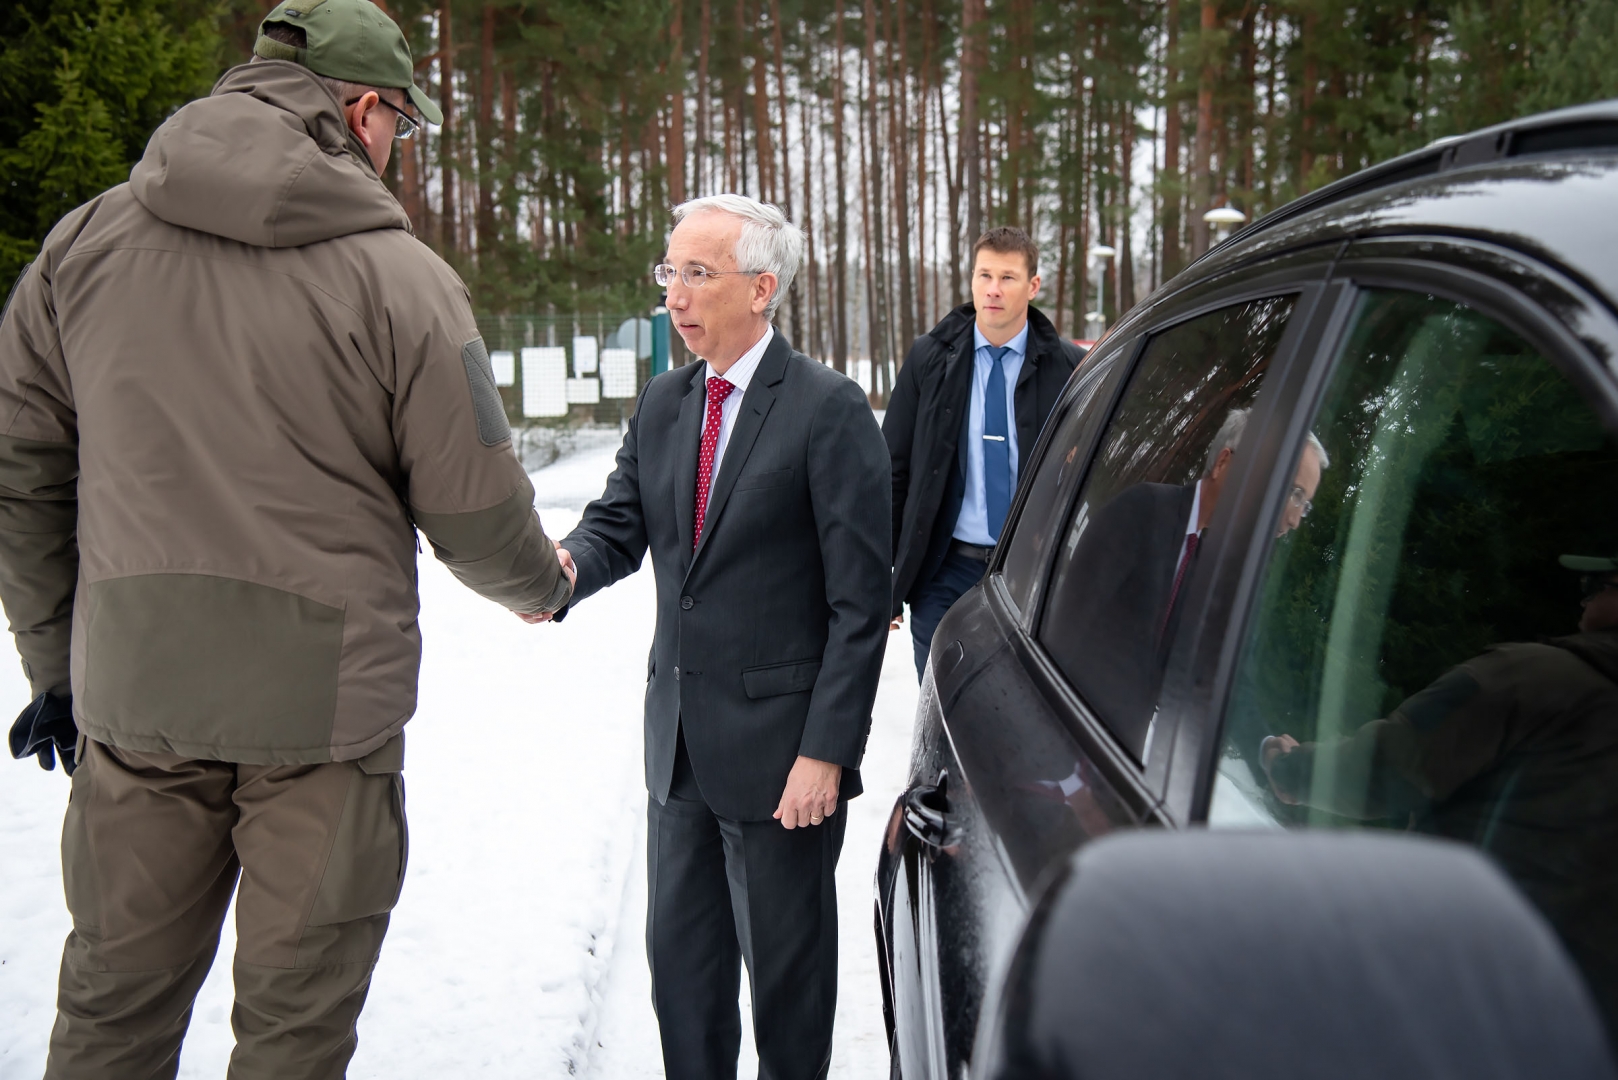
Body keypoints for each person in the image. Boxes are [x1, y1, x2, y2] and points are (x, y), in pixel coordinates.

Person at [0, 2, 575, 1075]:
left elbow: (22, 471)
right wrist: (542, 586)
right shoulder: (401, 279)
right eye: (402, 122)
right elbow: (473, 507)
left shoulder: (80, 248)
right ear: (361, 113)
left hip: (136, 688)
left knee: (110, 1016)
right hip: (325, 717)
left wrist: (58, 667)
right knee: (293, 1034)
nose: (398, 146)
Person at [544, 195, 889, 1080]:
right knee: (684, 986)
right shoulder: (666, 401)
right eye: (670, 271)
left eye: (697, 273)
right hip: (679, 756)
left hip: (782, 767)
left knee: (787, 993)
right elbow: (619, 522)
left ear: (761, 288)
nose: (674, 294)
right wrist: (565, 571)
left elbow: (860, 605)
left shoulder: (828, 408)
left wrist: (826, 753)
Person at [1259, 553, 1618, 1027]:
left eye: (1599, 583)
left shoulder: (1536, 677)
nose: (1585, 597)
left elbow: (1387, 769)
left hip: (1442, 988)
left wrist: (1290, 769)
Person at [1041, 409, 1327, 754]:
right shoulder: (1142, 511)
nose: (1295, 519)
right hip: (1063, 736)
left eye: (1304, 504)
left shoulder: (1215, 566)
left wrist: (1265, 745)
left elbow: (1216, 677)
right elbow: (1062, 633)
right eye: (1293, 492)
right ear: (1224, 464)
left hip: (1114, 758)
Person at [884, 226, 1086, 679]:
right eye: (984, 275)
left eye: (1008, 277)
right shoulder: (929, 359)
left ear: (1033, 286)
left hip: (1031, 572)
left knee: (1019, 701)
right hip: (943, 571)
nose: (993, 289)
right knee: (942, 698)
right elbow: (893, 469)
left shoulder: (1068, 368)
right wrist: (888, 576)